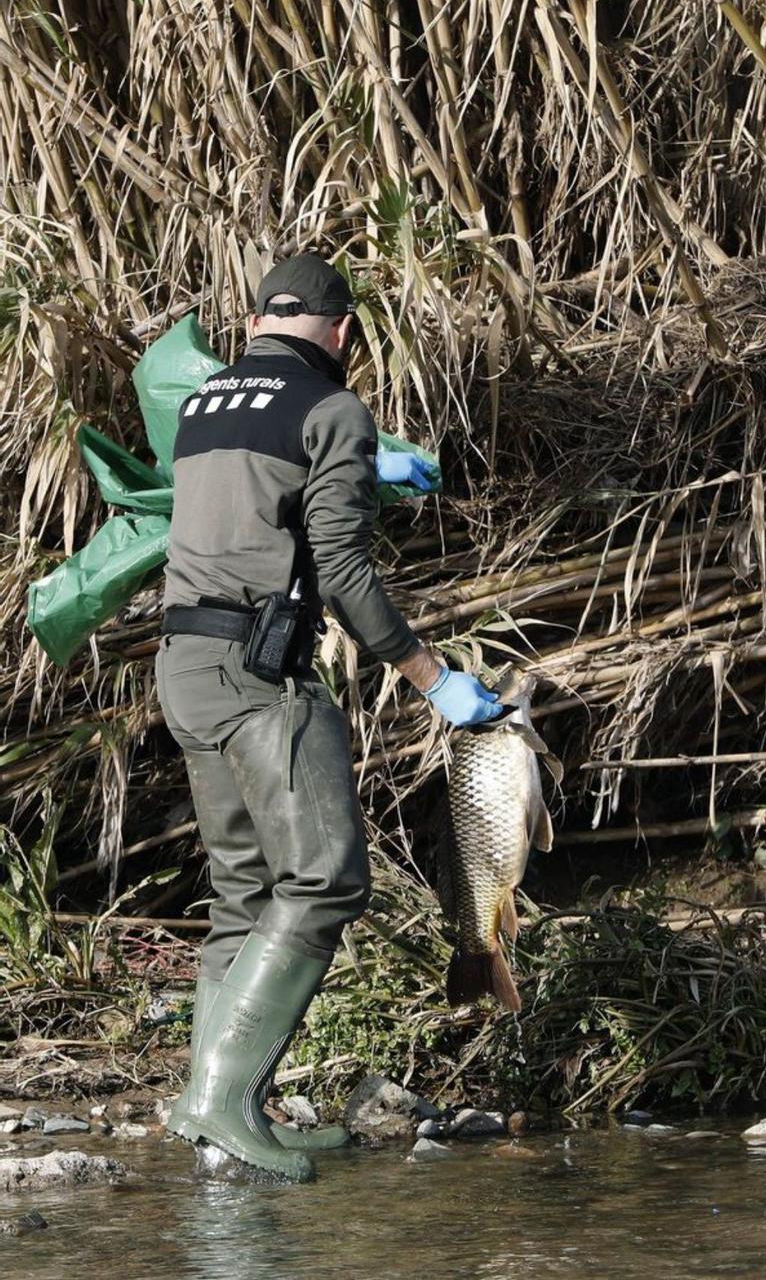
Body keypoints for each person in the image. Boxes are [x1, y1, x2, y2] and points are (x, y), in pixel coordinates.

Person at [156, 253, 501, 1181]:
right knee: (324, 881)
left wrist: (363, 467)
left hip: (183, 667)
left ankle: (222, 1110)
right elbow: (343, 573)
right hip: (259, 675)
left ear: (263, 319)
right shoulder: (333, 408)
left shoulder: (204, 405)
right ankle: (221, 1096)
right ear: (341, 331)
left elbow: (249, 504)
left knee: (243, 892)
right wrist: (433, 678)